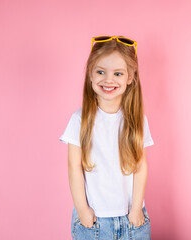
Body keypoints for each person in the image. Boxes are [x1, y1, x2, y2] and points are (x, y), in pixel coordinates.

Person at [59, 35, 154, 240]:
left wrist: (136, 209)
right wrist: (82, 209)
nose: (108, 79)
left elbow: (141, 165)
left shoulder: (137, 120)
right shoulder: (80, 120)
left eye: (118, 73)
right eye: (100, 71)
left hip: (132, 219)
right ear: (90, 76)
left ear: (130, 78)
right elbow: (73, 166)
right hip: (93, 222)